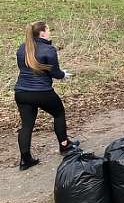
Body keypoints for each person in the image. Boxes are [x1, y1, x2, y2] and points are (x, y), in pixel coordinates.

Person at [14, 21, 79, 170]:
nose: (50, 32)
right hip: (42, 92)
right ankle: (65, 146)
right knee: (58, 113)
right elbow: (55, 73)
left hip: (21, 93)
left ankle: (25, 160)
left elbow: (24, 69)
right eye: (48, 29)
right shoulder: (49, 50)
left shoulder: (22, 48)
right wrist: (64, 75)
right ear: (42, 33)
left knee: (27, 125)